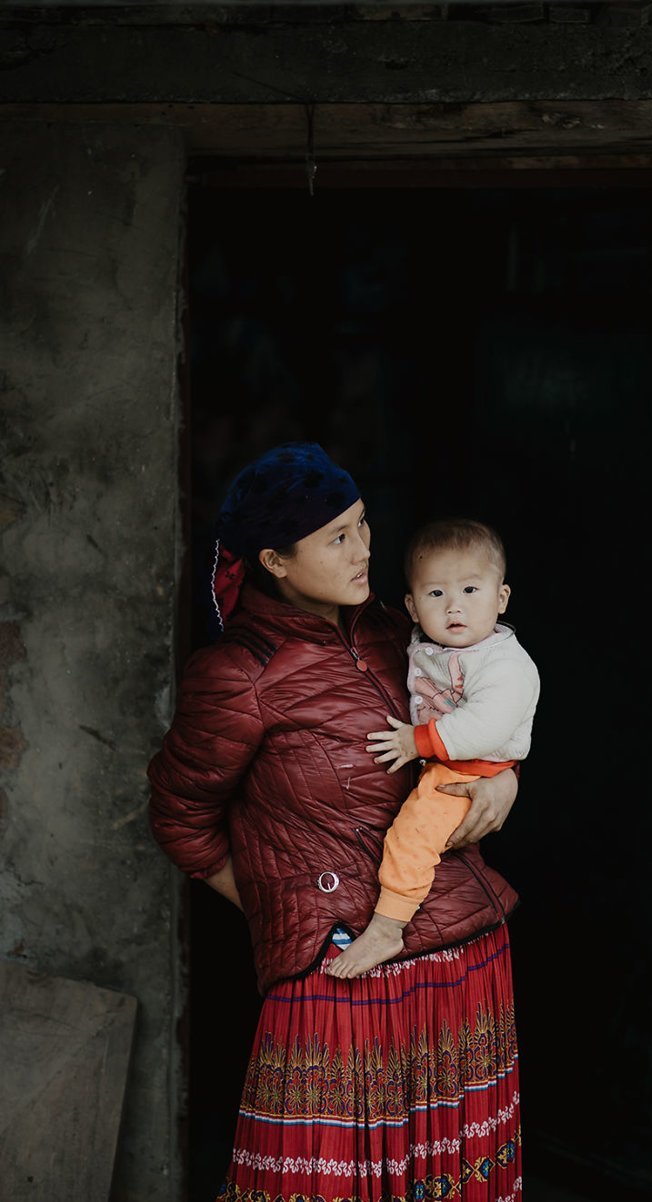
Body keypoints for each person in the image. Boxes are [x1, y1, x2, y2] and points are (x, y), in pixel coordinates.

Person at [148, 442, 523, 1202]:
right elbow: (179, 820)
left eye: (362, 526)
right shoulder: (237, 676)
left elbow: (480, 732)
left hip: (461, 954)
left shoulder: (401, 634)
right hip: (342, 978)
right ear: (276, 561)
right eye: (338, 537)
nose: (366, 550)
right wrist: (289, 909)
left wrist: (505, 787)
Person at [328, 518, 539, 979]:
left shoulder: (504, 663)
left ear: (501, 598)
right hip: (451, 763)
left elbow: (486, 725)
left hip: (471, 769)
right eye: (436, 594)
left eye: (470, 590)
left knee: (413, 835)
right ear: (412, 606)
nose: (454, 607)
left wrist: (416, 741)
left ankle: (387, 928)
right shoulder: (423, 643)